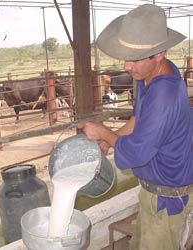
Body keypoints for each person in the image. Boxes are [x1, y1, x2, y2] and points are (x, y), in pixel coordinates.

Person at [78, 4, 193, 250]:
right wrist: (113, 138)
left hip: (166, 200)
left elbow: (135, 154)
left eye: (135, 59)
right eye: (125, 58)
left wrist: (103, 132)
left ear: (159, 53)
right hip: (152, 191)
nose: (127, 67)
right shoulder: (149, 74)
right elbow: (138, 119)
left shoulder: (165, 95)